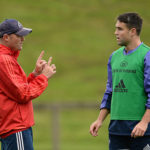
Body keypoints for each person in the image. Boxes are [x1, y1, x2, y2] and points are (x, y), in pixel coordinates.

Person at [90, 12, 150, 150]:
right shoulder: (114, 57)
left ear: (132, 31)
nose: (115, 32)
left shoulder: (147, 55)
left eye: (120, 29)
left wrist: (144, 123)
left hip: (141, 129)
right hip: (116, 129)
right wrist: (99, 120)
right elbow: (110, 90)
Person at [0, 19, 56, 150]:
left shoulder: (7, 58)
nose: (23, 39)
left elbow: (15, 90)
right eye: (19, 35)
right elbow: (23, 94)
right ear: (6, 37)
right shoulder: (4, 59)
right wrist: (44, 77)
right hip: (16, 128)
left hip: (13, 128)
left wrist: (35, 74)